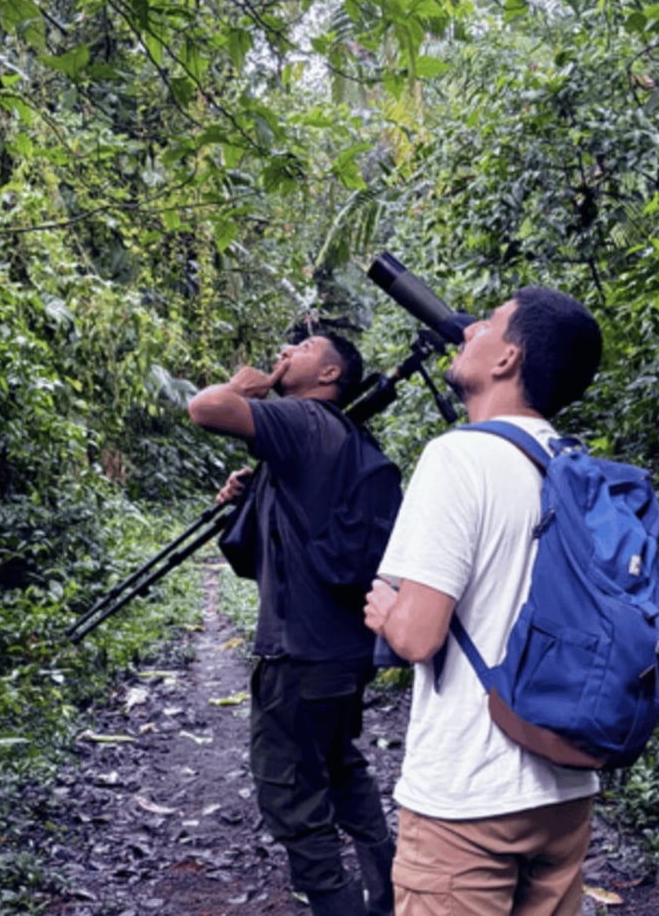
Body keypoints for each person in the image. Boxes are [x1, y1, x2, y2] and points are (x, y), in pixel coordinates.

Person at [362, 287, 604, 916]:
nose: (467, 329)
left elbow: (417, 637)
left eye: (488, 323)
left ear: (507, 360)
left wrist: (387, 612)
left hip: (469, 795)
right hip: (564, 787)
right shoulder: (577, 465)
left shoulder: (458, 457)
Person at [187, 332, 396, 916]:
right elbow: (278, 556)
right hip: (340, 651)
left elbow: (204, 407)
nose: (286, 351)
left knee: (292, 796)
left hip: (299, 656)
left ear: (329, 375)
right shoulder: (344, 437)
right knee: (338, 765)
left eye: (302, 347)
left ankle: (341, 907)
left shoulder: (303, 419)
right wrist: (246, 499)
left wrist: (243, 387)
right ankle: (390, 895)